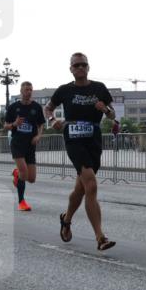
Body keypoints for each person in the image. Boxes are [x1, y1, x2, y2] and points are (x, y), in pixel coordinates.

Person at [45, 53, 117, 250]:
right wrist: (52, 121)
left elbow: (112, 114)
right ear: (71, 69)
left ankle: (66, 220)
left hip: (93, 139)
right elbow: (48, 108)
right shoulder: (64, 90)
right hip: (73, 139)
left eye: (83, 65)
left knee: (81, 188)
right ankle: (100, 237)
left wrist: (105, 110)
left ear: (88, 67)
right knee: (91, 185)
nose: (80, 68)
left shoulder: (99, 88)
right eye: (76, 65)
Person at [4, 81, 45, 211]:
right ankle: (21, 202)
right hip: (17, 143)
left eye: (30, 89)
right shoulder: (13, 107)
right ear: (21, 91)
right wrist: (14, 124)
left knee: (31, 178)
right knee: (24, 172)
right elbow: (5, 126)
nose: (28, 92)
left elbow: (40, 125)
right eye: (26, 89)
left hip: (30, 145)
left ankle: (17, 174)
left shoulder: (36, 107)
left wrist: (38, 136)